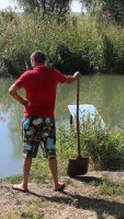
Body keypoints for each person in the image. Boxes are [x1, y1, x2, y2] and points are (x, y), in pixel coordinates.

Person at [8, 50, 80, 193]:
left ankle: (25, 185)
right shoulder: (53, 74)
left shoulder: (28, 75)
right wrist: (76, 76)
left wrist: (22, 101)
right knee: (50, 152)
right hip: (48, 120)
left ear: (33, 61)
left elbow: (11, 90)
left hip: (31, 118)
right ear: (44, 61)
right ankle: (56, 184)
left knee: (28, 152)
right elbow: (68, 80)